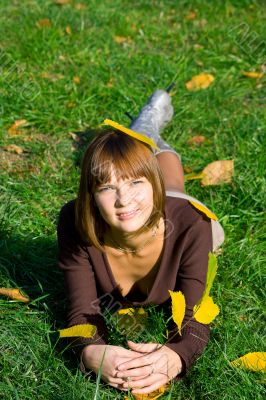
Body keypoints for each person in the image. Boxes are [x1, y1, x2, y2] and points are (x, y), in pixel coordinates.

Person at [57, 89, 224, 395]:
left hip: (173, 206)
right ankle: (139, 141)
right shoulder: (75, 221)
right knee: (133, 161)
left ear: (151, 185)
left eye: (135, 182)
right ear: (91, 198)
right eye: (107, 188)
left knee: (170, 176)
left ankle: (147, 125)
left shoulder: (191, 226)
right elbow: (80, 308)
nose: (123, 200)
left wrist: (175, 357)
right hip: (154, 197)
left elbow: (194, 315)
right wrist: (93, 352)